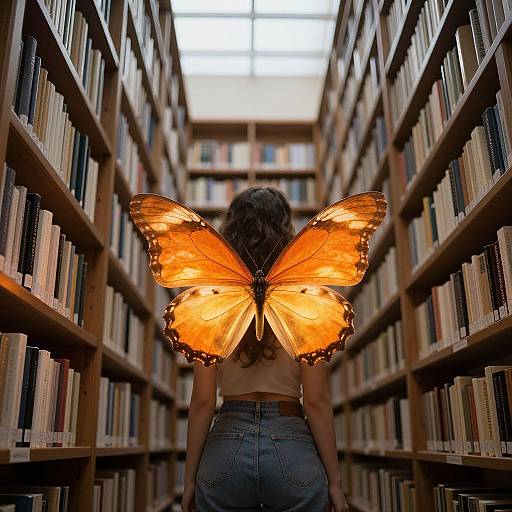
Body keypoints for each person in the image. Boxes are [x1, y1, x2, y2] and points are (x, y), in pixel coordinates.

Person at [180, 187, 349, 512]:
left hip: (225, 443)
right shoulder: (304, 298)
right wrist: (336, 483)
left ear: (229, 233)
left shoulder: (215, 298)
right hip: (292, 444)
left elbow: (203, 400)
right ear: (287, 232)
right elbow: (315, 400)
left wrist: (189, 481)